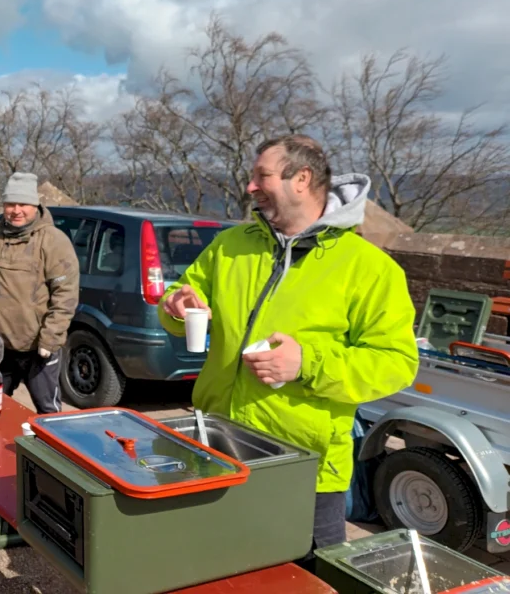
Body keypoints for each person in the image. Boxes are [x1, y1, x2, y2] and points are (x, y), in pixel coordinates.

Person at [159, 135, 419, 566]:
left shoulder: (371, 269)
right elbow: (182, 299)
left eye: (261, 176)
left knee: (303, 578)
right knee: (215, 566)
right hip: (217, 447)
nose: (250, 187)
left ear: (301, 179)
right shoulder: (230, 245)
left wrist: (307, 363)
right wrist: (176, 304)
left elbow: (397, 364)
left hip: (304, 470)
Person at [0, 172, 80, 414]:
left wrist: (50, 337)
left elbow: (66, 295)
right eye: (10, 203)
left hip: (38, 348)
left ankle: (49, 450)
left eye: (23, 204)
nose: (16, 210)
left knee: (47, 412)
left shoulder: (53, 241)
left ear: (35, 205)